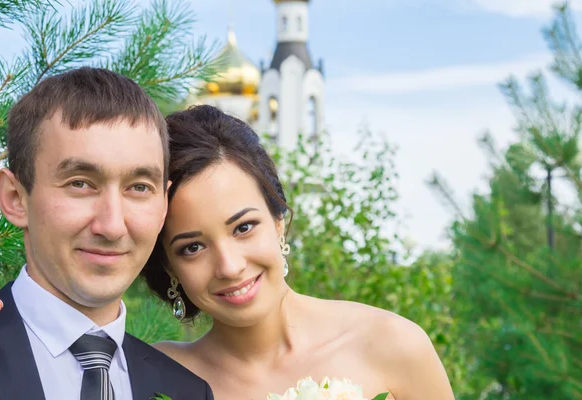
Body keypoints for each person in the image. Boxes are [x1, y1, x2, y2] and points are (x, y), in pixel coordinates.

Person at [142, 105, 456, 399]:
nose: (230, 266)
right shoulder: (154, 378)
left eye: (244, 227)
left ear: (279, 221)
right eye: (192, 248)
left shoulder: (391, 345)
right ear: (169, 266)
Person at [0, 68, 213, 400]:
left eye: (139, 187)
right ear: (15, 198)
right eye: (80, 184)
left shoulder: (187, 392)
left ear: (163, 204)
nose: (112, 226)